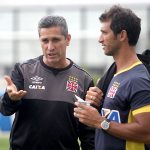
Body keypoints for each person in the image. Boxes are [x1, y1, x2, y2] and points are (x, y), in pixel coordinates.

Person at [0, 15, 95, 150]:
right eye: (45, 40)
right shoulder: (23, 71)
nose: (50, 47)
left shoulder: (84, 80)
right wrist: (11, 99)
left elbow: (88, 133)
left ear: (67, 39)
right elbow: (5, 110)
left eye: (56, 40)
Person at [74, 5, 150, 150]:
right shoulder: (115, 74)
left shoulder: (137, 79)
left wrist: (101, 122)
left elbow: (147, 133)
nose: (100, 39)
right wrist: (97, 103)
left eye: (104, 33)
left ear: (122, 35)